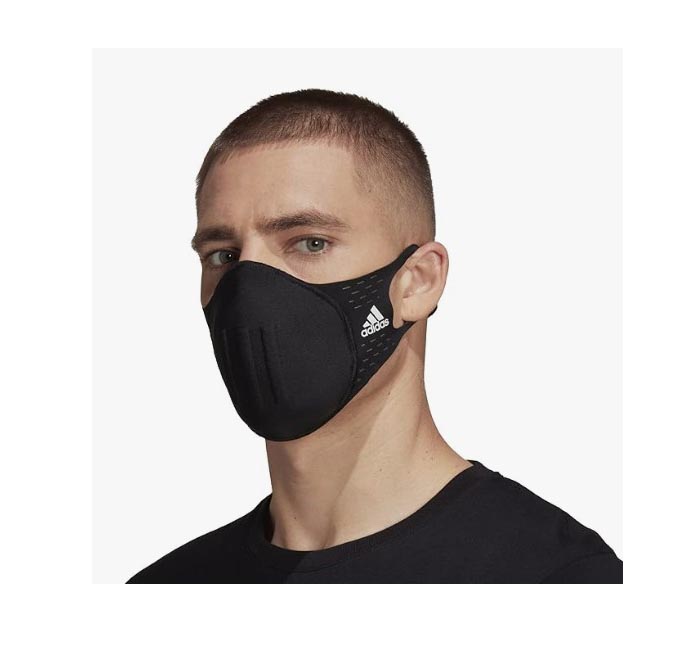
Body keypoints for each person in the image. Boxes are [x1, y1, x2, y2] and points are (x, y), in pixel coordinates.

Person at [127, 89, 622, 583]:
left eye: (310, 243)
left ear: (418, 282)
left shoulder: (559, 578)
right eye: (223, 256)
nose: (249, 289)